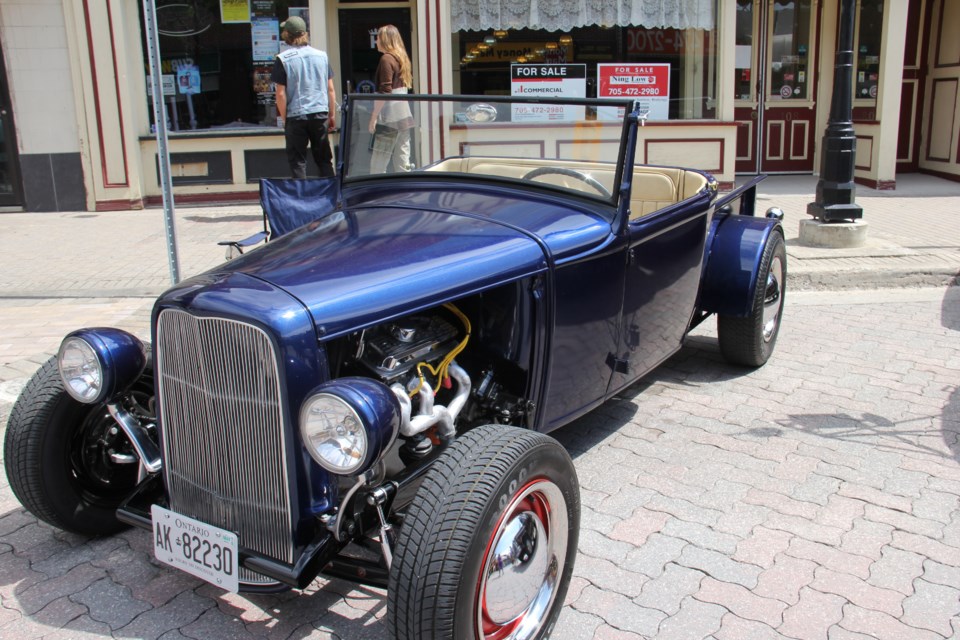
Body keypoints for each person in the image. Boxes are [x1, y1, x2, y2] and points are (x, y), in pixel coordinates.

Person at [272, 16, 336, 178]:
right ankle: (332, 198)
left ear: (288, 34)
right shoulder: (322, 56)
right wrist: (332, 115)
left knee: (298, 161)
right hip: (320, 112)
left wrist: (286, 119)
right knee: (324, 159)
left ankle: (302, 199)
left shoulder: (283, 59)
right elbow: (330, 89)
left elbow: (280, 94)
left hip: (296, 115)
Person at [368, 25, 414, 173]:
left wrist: (374, 117)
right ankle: (406, 193)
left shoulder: (386, 59)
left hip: (389, 118)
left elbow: (385, 91)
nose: (376, 41)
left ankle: (377, 194)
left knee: (378, 165)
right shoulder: (402, 58)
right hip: (405, 116)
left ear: (386, 40)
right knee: (403, 163)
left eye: (379, 37)